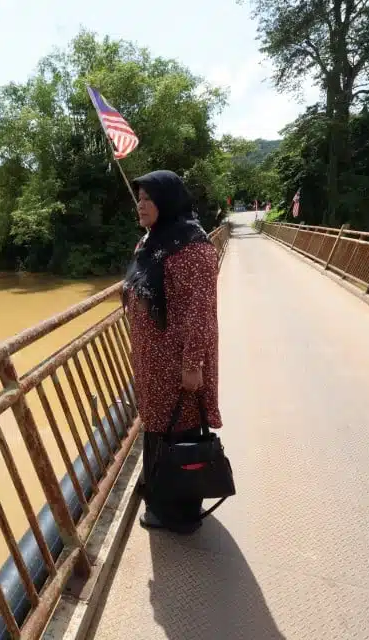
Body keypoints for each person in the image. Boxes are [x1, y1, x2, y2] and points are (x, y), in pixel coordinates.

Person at [122, 169, 222, 535]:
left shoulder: (193, 249)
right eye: (140, 198)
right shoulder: (151, 243)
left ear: (168, 201)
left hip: (178, 362)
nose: (142, 205)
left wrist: (193, 363)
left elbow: (201, 312)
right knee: (158, 429)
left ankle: (179, 512)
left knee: (179, 429)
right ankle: (158, 496)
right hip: (152, 362)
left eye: (149, 198)